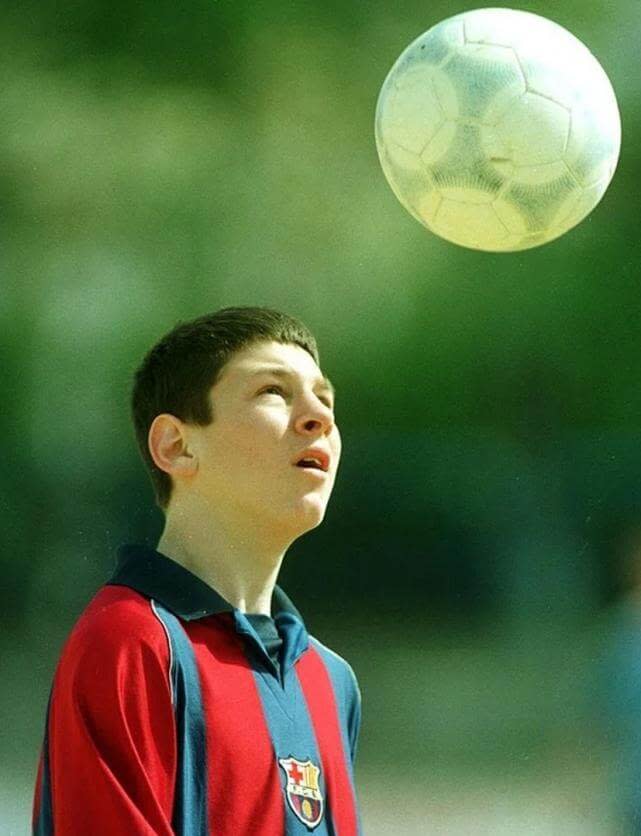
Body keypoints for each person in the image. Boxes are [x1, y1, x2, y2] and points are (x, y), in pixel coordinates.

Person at [32, 306, 362, 835]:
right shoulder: (131, 644)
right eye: (273, 392)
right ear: (176, 446)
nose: (317, 416)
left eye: (324, 399)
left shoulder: (330, 678)